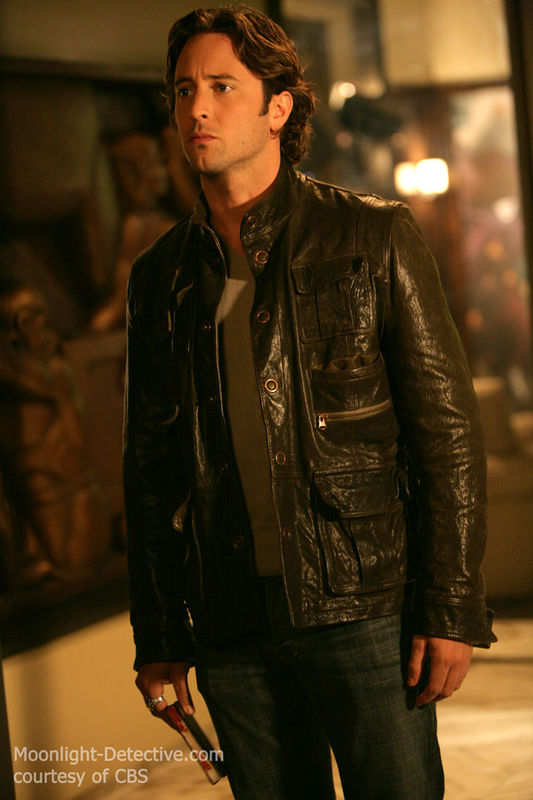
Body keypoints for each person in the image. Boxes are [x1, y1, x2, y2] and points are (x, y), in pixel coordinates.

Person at [124, 6, 495, 798]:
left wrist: (451, 606)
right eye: (184, 89)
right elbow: (149, 472)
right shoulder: (162, 277)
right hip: (229, 619)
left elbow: (447, 438)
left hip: (365, 606)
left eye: (222, 86)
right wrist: (157, 634)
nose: (197, 109)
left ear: (278, 107)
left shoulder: (372, 236)